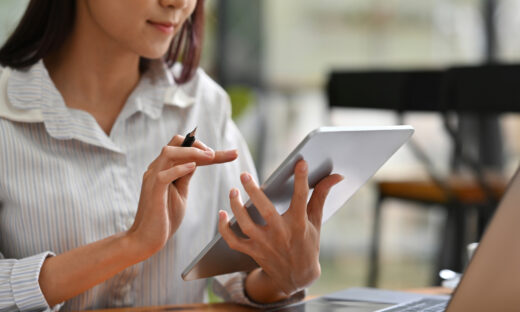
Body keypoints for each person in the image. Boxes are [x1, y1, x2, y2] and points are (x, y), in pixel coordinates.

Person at [0, 0, 343, 311]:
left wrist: (283, 277)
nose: (179, 3)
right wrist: (131, 244)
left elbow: (239, 277)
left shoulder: (203, 102)